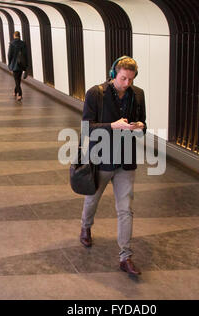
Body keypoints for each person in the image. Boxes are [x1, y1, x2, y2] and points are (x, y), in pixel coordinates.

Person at [79, 56, 146, 276]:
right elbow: (88, 128)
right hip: (102, 159)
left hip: (126, 161)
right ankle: (86, 226)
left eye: (131, 79)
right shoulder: (95, 94)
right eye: (123, 78)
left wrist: (140, 125)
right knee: (92, 199)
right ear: (112, 75)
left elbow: (143, 123)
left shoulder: (138, 94)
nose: (127, 83)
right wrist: (112, 126)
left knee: (126, 209)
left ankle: (125, 256)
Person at [7, 31, 28, 101]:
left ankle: (20, 94)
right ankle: (15, 91)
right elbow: (26, 55)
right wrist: (27, 65)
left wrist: (10, 63)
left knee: (16, 79)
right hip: (21, 64)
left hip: (14, 64)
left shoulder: (12, 44)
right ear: (19, 36)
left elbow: (9, 55)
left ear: (14, 36)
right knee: (18, 79)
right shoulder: (23, 44)